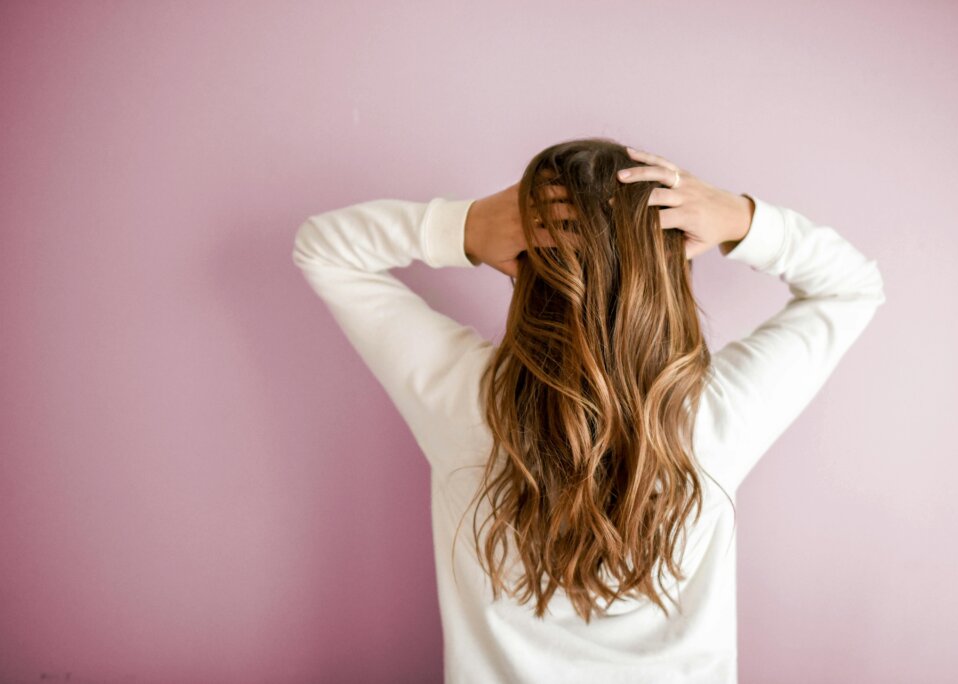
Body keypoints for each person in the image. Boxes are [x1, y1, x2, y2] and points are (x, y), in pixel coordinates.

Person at [291, 138, 886, 684]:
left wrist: (465, 226)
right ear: (672, 270)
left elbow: (323, 249)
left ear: (524, 263)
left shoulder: (467, 402)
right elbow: (853, 286)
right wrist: (740, 219)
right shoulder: (714, 418)